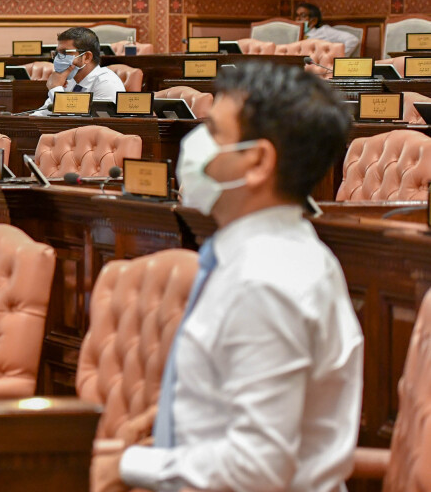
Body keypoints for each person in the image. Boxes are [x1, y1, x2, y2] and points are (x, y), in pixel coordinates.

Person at [93, 61, 363, 492]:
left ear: (257, 161)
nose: (195, 144)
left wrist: (128, 467)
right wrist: (168, 421)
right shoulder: (260, 252)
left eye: (214, 132)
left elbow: (256, 467)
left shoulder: (267, 282)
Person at [32, 27, 124, 115]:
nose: (57, 58)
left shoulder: (106, 83)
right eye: (57, 53)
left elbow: (76, 123)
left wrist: (55, 89)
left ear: (87, 57)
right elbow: (41, 114)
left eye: (65, 52)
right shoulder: (68, 81)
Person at [295, 2, 359, 56]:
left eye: (302, 15)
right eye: (297, 15)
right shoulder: (294, 33)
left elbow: (353, 40)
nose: (297, 19)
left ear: (314, 21)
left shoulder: (324, 31)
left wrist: (336, 58)